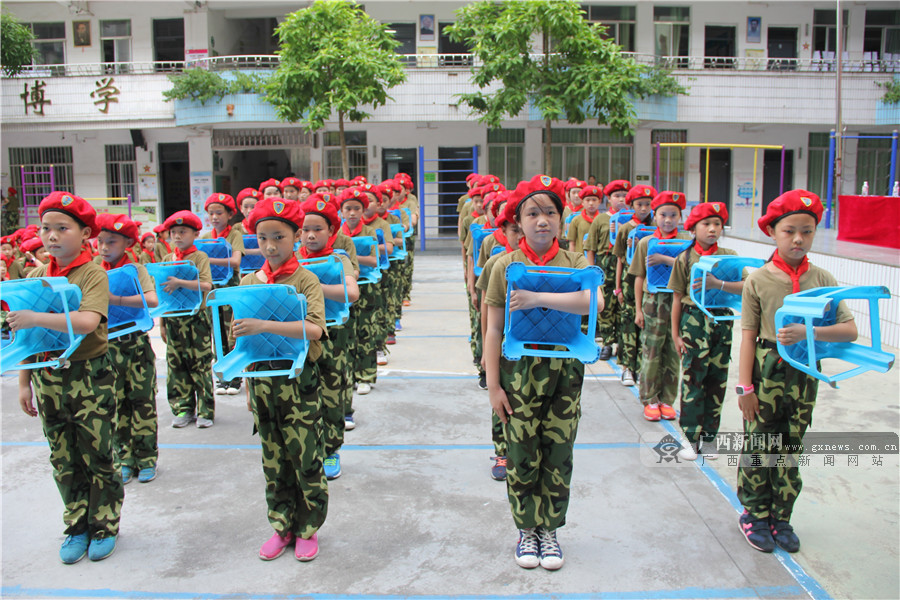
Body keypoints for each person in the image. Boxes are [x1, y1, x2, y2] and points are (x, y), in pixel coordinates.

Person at [483, 175, 599, 571]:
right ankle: (525, 530)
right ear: (519, 220)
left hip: (564, 375)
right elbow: (493, 328)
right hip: (518, 377)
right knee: (521, 453)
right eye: (533, 213)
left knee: (558, 453)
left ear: (561, 221)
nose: (542, 220)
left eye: (550, 212)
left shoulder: (576, 263)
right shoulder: (503, 265)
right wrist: (493, 385)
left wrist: (537, 298)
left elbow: (586, 303)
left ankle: (549, 530)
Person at [736, 190, 856, 553]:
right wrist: (745, 388)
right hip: (766, 369)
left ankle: (781, 517)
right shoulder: (759, 279)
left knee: (790, 447)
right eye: (789, 230)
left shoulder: (823, 278)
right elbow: (748, 336)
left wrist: (810, 332)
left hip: (804, 372)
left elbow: (848, 330)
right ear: (772, 231)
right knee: (760, 444)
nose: (798, 239)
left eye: (807, 230)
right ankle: (754, 515)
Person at [12, 192, 123, 563]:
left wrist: (35, 318)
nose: (52, 237)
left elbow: (89, 321)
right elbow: (28, 337)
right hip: (47, 376)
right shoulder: (36, 275)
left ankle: (105, 525)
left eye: (63, 228)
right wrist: (24, 381)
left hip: (88, 374)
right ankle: (76, 526)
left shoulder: (91, 272)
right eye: (46, 229)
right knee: (63, 456)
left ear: (85, 232)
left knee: (98, 454)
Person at [240, 197, 329, 562]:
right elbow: (244, 341)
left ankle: (309, 528)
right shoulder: (248, 280)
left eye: (279, 236)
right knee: (273, 459)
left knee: (305, 457)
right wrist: (248, 388)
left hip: (298, 384)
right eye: (262, 238)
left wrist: (265, 325)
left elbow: (316, 330)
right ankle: (282, 526)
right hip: (262, 383)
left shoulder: (306, 279)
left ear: (295, 236)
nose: (271, 245)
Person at [668, 202, 740, 460]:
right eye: (706, 224)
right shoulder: (685, 258)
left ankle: (709, 438)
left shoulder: (730, 256)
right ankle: (690, 437)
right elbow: (677, 298)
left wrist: (718, 283)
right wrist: (676, 334)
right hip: (694, 322)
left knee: (717, 381)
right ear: (693, 228)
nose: (712, 229)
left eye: (717, 224)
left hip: (722, 320)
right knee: (693, 380)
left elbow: (746, 287)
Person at [297, 194, 359, 480]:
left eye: (318, 229)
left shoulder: (338, 259)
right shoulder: (292, 260)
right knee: (303, 396)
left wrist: (313, 286)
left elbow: (352, 292)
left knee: (332, 395)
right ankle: (308, 449)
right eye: (306, 229)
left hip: (332, 336)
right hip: (299, 337)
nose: (311, 235)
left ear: (332, 231)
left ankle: (331, 450)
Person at [94, 214, 160, 483]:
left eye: (112, 241)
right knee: (115, 404)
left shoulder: (136, 270)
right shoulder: (93, 271)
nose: (104, 247)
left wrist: (114, 299)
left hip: (135, 344)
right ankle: (124, 457)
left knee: (142, 402)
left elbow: (153, 300)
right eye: (100, 241)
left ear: (128, 242)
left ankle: (146, 458)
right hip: (106, 345)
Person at [630, 191, 691, 421]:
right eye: (663, 214)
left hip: (678, 302)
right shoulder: (647, 243)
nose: (668, 220)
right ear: (655, 216)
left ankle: (667, 399)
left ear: (680, 217)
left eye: (673, 215)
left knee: (674, 352)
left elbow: (691, 268)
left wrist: (666, 260)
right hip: (653, 303)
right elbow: (638, 276)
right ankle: (650, 399)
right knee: (652, 351)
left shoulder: (686, 243)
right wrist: (638, 309)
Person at [475, 197, 520, 481]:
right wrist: (484, 349)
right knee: (501, 397)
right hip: (503, 345)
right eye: (513, 229)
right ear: (503, 229)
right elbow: (486, 312)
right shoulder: (496, 263)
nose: (519, 235)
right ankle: (502, 451)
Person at [159, 211, 215, 428]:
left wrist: (180, 282)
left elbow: (207, 285)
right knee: (176, 364)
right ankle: (183, 408)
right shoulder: (167, 259)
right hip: (173, 317)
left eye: (183, 232)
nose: (177, 236)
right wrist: (163, 323)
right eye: (173, 232)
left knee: (200, 363)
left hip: (196, 317)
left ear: (195, 234)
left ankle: (205, 410)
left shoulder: (199, 257)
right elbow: (163, 292)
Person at [611, 185, 656, 386]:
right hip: (630, 282)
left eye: (648, 204)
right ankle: (628, 368)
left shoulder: (657, 228)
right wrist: (618, 287)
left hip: (651, 282)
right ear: (632, 205)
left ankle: (642, 367)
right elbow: (619, 259)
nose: (644, 208)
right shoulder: (626, 228)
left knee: (647, 325)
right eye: (640, 204)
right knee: (628, 324)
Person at [200, 193, 245, 395]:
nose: (215, 217)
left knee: (231, 332)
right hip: (212, 289)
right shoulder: (204, 238)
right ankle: (222, 376)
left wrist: (206, 260)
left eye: (219, 212)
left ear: (230, 214)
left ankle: (235, 376)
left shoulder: (234, 235)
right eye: (211, 213)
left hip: (229, 287)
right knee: (216, 333)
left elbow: (235, 262)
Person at [340, 188, 380, 396]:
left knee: (365, 332)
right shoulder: (337, 233)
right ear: (342, 211)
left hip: (366, 286)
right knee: (347, 334)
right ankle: (349, 374)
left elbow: (375, 260)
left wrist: (349, 256)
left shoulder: (369, 232)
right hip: (343, 290)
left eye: (357, 208)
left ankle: (365, 375)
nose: (353, 213)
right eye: (348, 208)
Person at [585, 179, 630, 361]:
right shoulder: (601, 219)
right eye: (616, 196)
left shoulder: (631, 220)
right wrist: (591, 271)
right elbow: (591, 247)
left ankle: (621, 342)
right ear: (609, 199)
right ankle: (607, 342)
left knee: (622, 305)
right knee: (605, 305)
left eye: (624, 196)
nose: (621, 200)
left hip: (625, 264)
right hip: (605, 262)